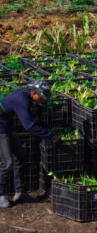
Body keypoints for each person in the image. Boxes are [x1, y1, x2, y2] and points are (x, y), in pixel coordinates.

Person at [0, 80, 60, 208]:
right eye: (42, 97)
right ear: (34, 93)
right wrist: (50, 136)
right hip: (1, 127)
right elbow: (29, 127)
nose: (43, 100)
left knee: (20, 157)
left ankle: (20, 193)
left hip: (7, 124)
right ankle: (0, 194)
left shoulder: (26, 96)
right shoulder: (22, 100)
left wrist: (44, 125)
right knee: (8, 161)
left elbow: (30, 118)